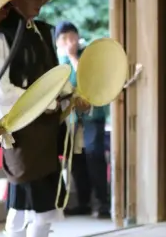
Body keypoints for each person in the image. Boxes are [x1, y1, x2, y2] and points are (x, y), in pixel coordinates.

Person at [0, 0, 87, 237]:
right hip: (23, 131)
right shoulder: (2, 37)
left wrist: (72, 95)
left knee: (38, 203)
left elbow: (53, 76)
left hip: (46, 131)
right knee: (29, 200)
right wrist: (45, 101)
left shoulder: (40, 32)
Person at [55, 21, 110, 219]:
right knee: (75, 159)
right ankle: (84, 202)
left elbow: (89, 79)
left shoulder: (87, 55)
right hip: (71, 119)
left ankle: (103, 203)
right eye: (64, 38)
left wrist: (73, 57)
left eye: (72, 37)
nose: (69, 42)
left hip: (92, 115)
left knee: (94, 156)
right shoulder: (57, 61)